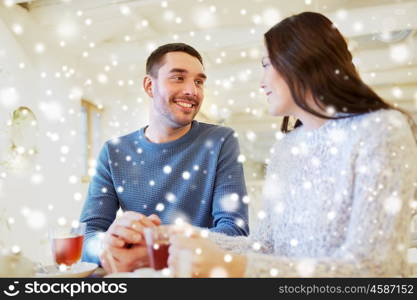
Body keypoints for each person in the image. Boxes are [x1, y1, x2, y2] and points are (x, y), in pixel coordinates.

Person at [168, 12, 417, 277]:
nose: (261, 82)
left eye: (266, 64)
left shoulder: (381, 131)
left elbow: (374, 268)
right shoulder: (286, 149)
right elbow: (264, 248)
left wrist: (232, 266)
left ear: (301, 59)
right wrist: (172, 236)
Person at [80, 43, 249, 273]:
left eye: (199, 81)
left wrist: (155, 245)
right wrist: (106, 244)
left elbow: (235, 233)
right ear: (150, 86)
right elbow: (87, 235)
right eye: (178, 78)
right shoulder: (114, 152)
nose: (193, 91)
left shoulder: (220, 140)